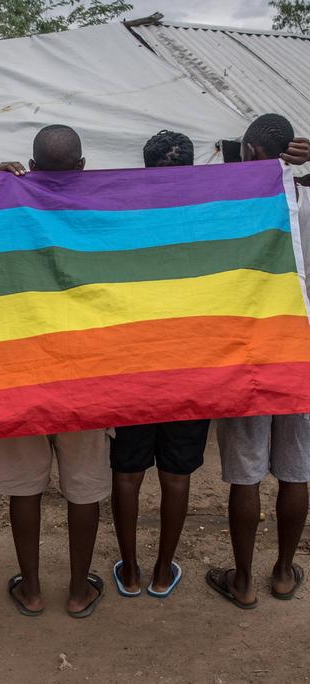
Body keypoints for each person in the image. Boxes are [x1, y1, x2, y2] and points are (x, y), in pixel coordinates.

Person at [0, 125, 111, 618]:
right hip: (88, 372)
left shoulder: (10, 206)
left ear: (31, 167)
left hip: (21, 372)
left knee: (24, 484)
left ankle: (32, 590)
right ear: (82, 167)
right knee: (84, 483)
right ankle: (79, 591)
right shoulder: (102, 210)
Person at [207, 113, 310, 609]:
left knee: (245, 471)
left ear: (247, 151)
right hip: (303, 351)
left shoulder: (230, 205)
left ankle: (244, 580)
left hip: (248, 352)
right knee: (296, 470)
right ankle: (285, 571)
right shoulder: (307, 200)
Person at [109, 131, 210, 600]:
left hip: (133, 368)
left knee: (127, 473)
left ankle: (128, 571)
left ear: (144, 167)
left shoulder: (124, 217)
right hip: (191, 368)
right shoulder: (209, 220)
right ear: (190, 169)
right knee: (176, 475)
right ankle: (162, 571)